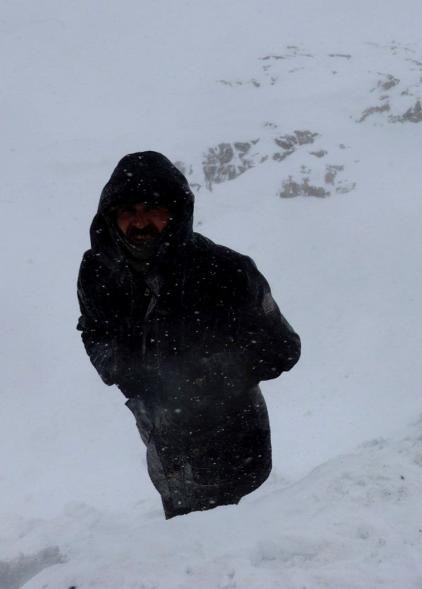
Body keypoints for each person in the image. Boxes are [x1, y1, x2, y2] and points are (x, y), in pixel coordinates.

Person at [76, 151, 301, 519]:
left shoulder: (227, 271)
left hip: (236, 437)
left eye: (152, 209)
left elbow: (284, 347)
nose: (140, 222)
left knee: (245, 546)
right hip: (163, 439)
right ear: (111, 219)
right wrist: (120, 368)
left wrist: (216, 374)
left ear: (176, 212)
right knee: (184, 529)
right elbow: (94, 331)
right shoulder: (99, 273)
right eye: (128, 212)